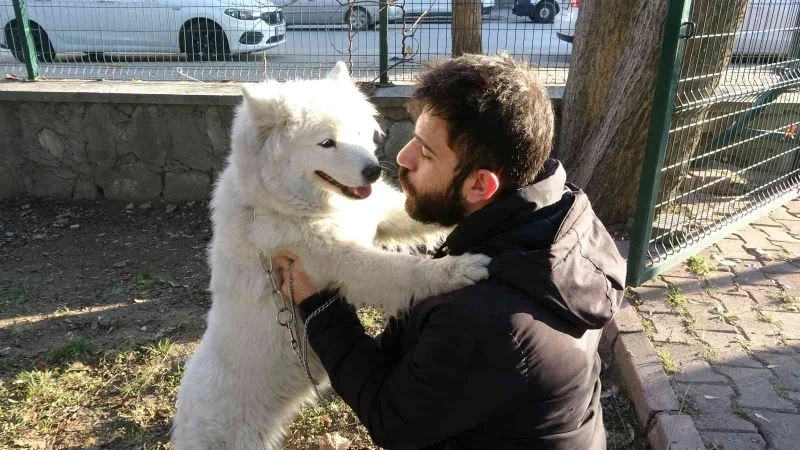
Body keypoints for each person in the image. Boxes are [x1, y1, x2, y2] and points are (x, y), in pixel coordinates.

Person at [276, 53, 626, 449]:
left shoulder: (484, 320)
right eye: (414, 137)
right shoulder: (561, 215)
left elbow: (391, 420)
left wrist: (319, 305)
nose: (402, 158)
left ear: (480, 186)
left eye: (426, 153)